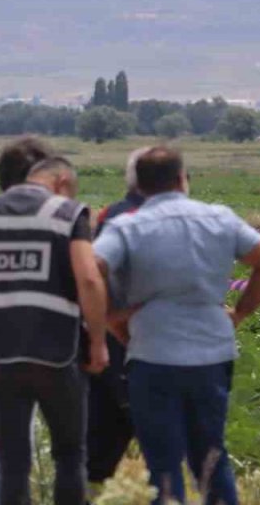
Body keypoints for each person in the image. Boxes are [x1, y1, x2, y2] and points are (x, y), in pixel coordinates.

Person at [94, 147, 260, 505]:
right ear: (182, 178)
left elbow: (91, 269)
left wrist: (111, 318)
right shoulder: (219, 218)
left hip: (152, 352)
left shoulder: (128, 225)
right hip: (211, 351)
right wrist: (240, 312)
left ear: (138, 185)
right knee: (211, 459)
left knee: (163, 467)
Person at [0, 152, 110, 505]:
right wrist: (98, 342)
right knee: (69, 455)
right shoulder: (68, 214)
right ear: (61, 183)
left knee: (13, 463)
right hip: (55, 353)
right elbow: (89, 280)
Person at [85, 146, 149, 497]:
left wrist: (105, 324)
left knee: (98, 448)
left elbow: (92, 279)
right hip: (169, 343)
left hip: (113, 338)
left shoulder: (110, 216)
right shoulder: (192, 216)